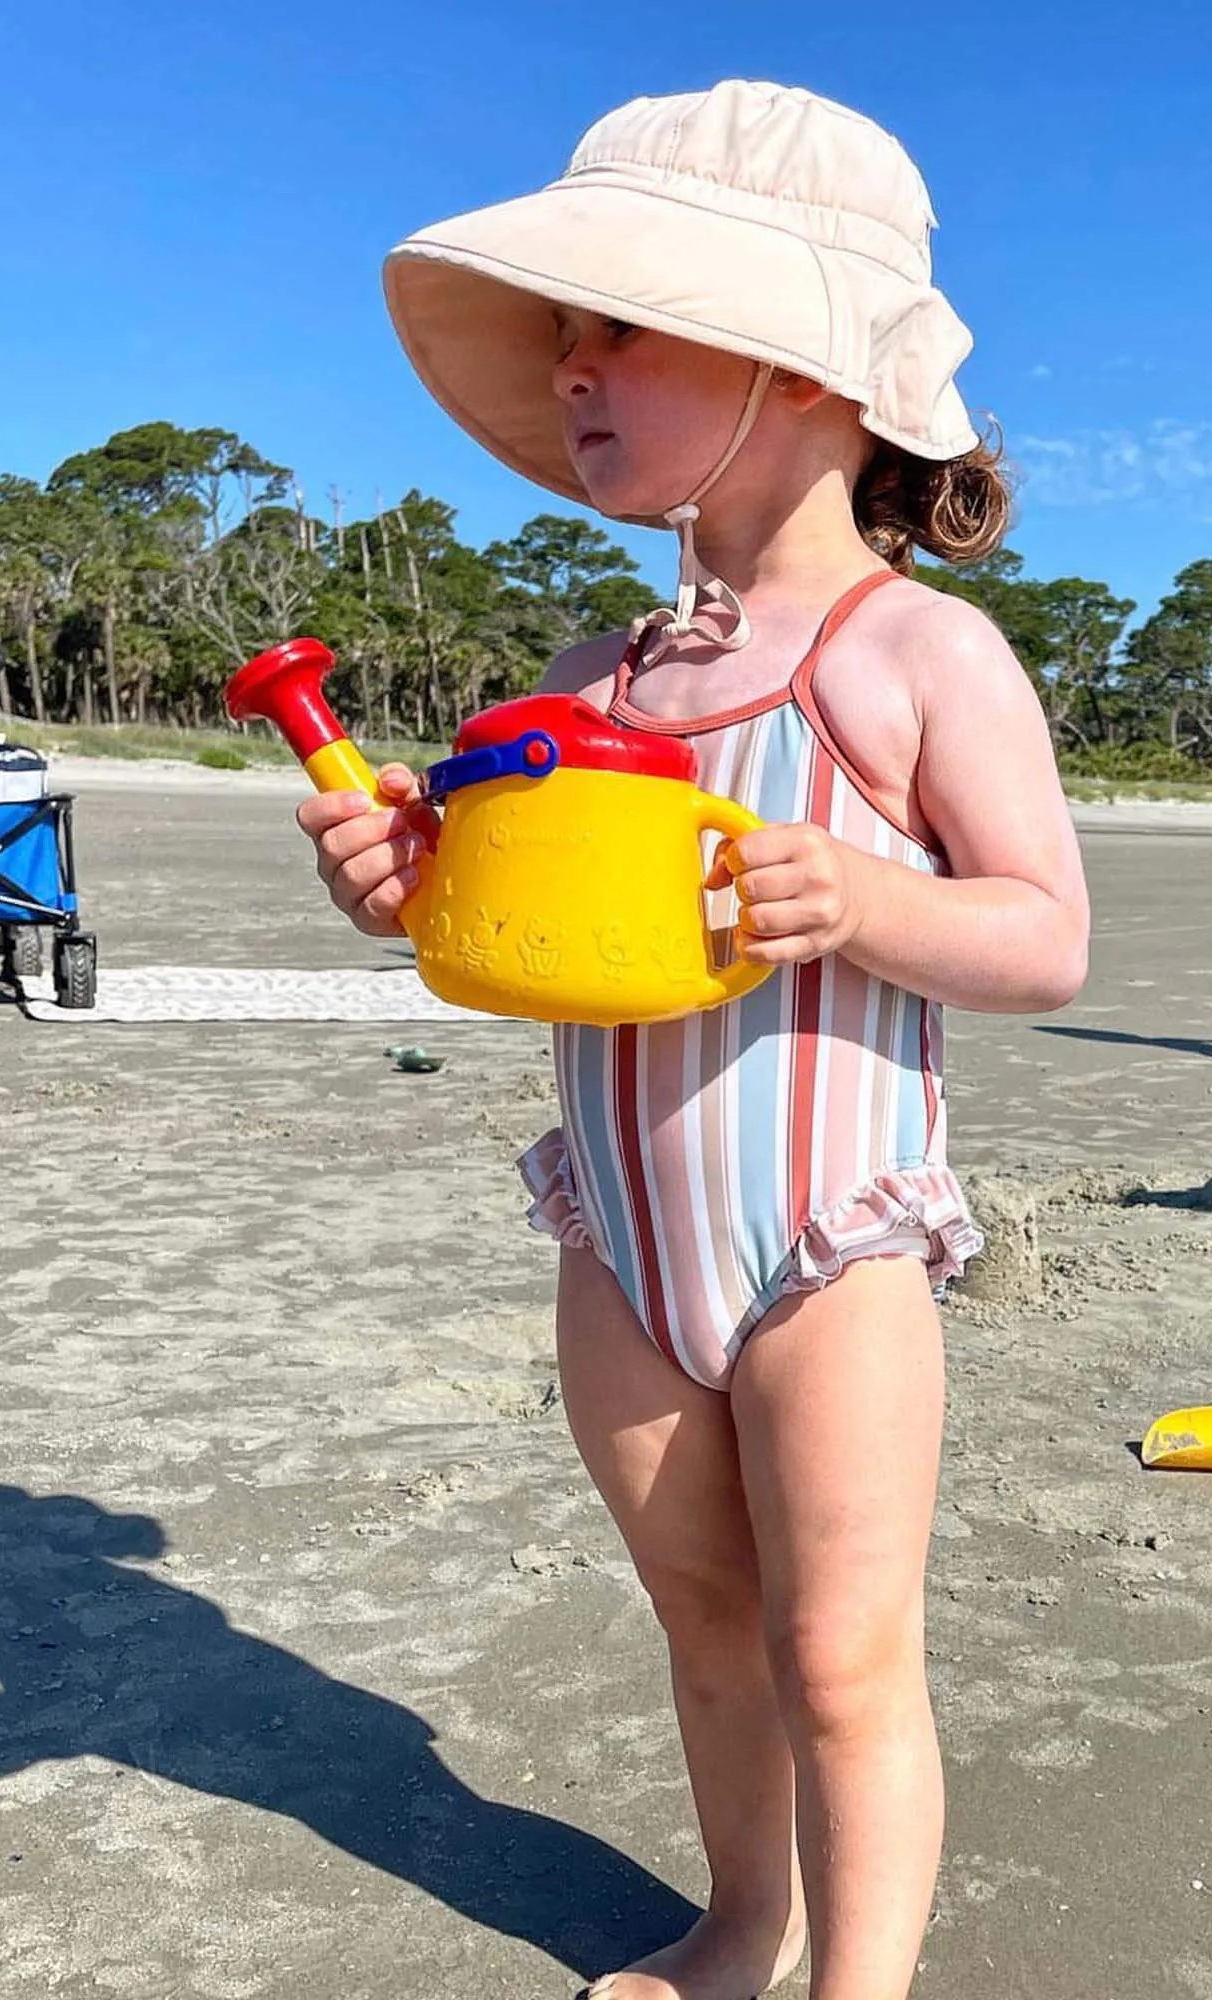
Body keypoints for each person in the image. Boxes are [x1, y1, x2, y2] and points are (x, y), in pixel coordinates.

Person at [296, 82, 1091, 2000]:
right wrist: (407, 880)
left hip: (830, 1233)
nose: (571, 368)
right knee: (705, 1614)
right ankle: (748, 1922)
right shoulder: (586, 682)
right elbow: (521, 940)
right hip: (624, 1233)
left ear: (807, 371)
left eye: (617, 327)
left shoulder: (915, 653)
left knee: (842, 1651)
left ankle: (859, 1986)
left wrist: (871, 901)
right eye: (561, 336)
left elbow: (1048, 935)